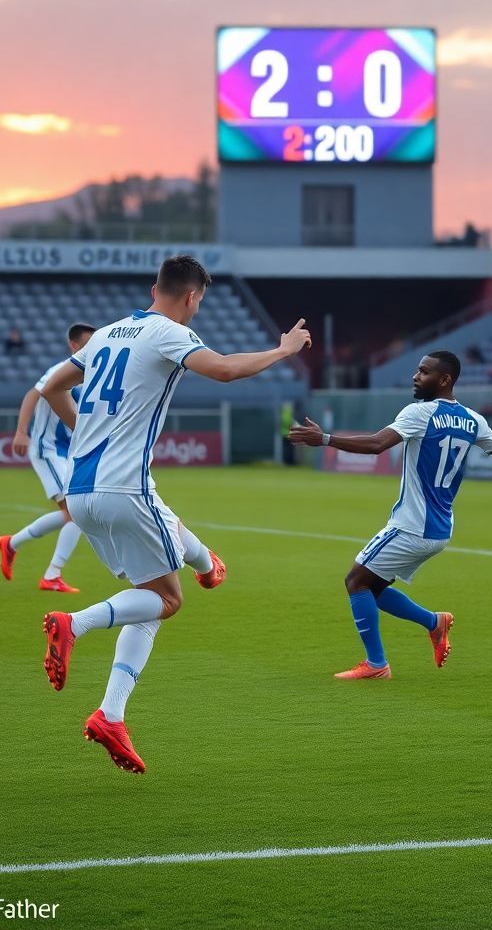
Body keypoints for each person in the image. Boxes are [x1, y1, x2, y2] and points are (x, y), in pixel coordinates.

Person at [37, 255, 311, 774]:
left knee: (150, 590)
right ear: (190, 298)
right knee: (166, 598)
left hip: (81, 491)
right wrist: (283, 349)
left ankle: (111, 714)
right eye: (198, 304)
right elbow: (226, 369)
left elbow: (51, 388)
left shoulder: (105, 334)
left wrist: (88, 435)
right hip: (123, 487)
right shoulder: (166, 333)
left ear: (153, 287)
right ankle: (74, 623)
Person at [288, 351, 492, 680]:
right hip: (440, 530)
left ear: (444, 380)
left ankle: (376, 664)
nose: (416, 376)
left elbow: (376, 445)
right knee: (371, 586)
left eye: (424, 372)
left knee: (355, 581)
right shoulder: (474, 420)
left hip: (412, 526)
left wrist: (324, 439)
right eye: (417, 370)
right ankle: (434, 622)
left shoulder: (421, 413)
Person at [0, 323, 97, 594]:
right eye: (87, 344)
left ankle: (12, 543)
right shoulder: (62, 370)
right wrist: (20, 432)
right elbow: (33, 394)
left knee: (73, 512)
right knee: (77, 512)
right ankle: (52, 575)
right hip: (48, 448)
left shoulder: (92, 374)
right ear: (74, 346)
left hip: (68, 451)